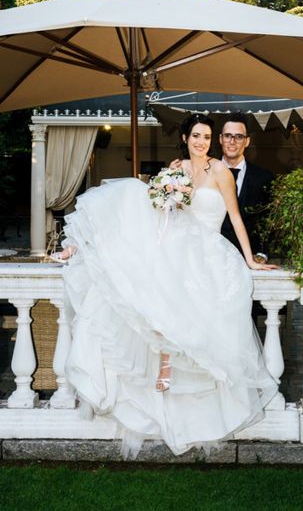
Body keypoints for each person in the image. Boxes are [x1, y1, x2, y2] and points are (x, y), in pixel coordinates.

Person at [53, 113, 278, 458]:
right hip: (177, 244)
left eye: (207, 137)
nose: (201, 142)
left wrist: (249, 259)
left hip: (209, 250)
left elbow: (235, 216)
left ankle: (181, 370)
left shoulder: (221, 171)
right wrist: (167, 197)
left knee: (191, 303)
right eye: (196, 136)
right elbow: (160, 213)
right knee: (135, 216)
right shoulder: (176, 169)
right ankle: (78, 246)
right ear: (186, 139)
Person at [219, 113, 274, 257]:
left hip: (249, 257)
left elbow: (268, 222)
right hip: (212, 254)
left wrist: (262, 253)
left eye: (239, 137)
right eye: (228, 136)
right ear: (220, 139)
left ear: (247, 141)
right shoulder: (206, 173)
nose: (232, 141)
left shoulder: (264, 178)